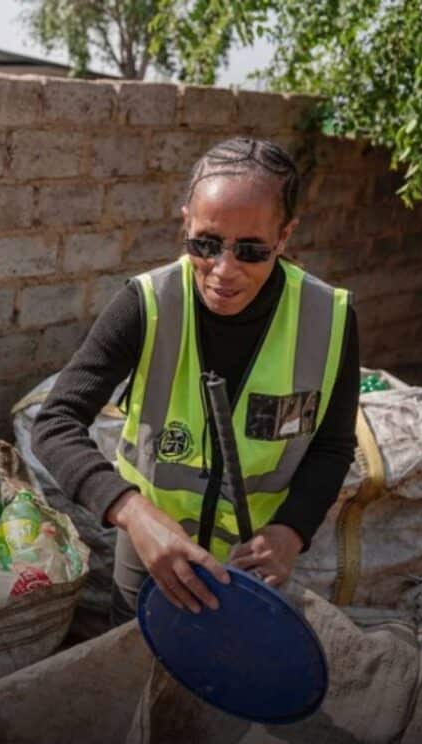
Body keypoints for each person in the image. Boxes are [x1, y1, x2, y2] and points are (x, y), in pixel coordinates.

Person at [33, 137, 359, 624]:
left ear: (284, 236)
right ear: (185, 222)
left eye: (251, 250)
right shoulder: (148, 304)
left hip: (255, 565)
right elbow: (55, 422)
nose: (224, 270)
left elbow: (332, 446)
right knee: (137, 658)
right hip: (151, 556)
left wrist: (291, 531)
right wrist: (132, 513)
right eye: (205, 244)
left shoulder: (327, 320)